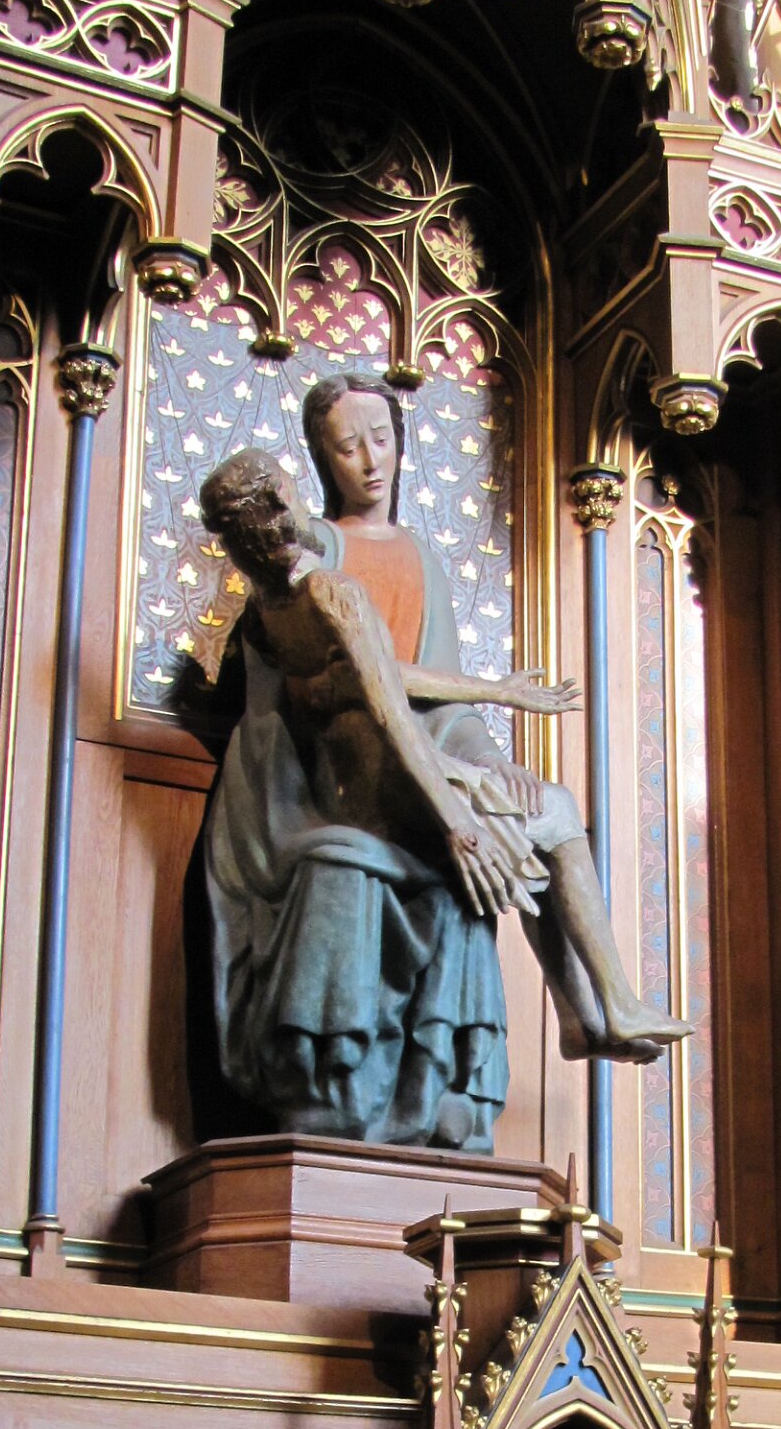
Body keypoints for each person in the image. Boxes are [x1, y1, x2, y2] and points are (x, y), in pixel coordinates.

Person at [197, 431, 686, 1151]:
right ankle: (607, 1002)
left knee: (534, 826)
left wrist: (497, 691)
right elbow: (393, 711)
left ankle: (585, 1019)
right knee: (555, 811)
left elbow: (379, 672)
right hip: (393, 786)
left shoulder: (272, 608)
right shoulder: (333, 591)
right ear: (286, 503)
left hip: (349, 784)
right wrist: (456, 818)